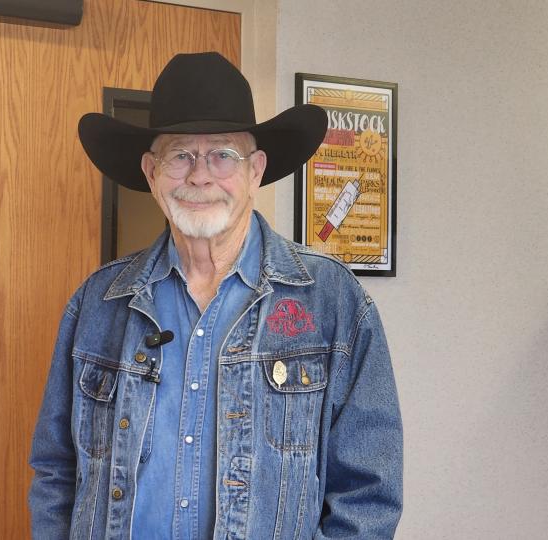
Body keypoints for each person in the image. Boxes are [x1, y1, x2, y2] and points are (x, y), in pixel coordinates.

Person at [28, 51, 403, 540]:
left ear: (255, 170)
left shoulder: (333, 302)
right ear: (151, 172)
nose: (200, 176)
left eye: (223, 154)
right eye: (180, 155)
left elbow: (368, 496)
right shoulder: (98, 303)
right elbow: (57, 471)